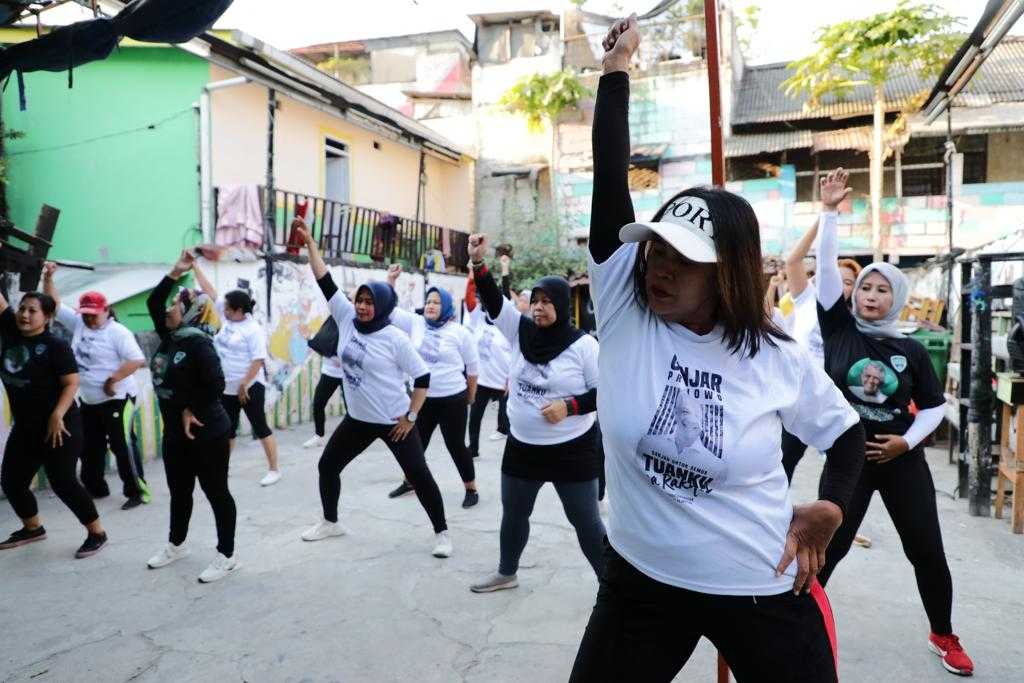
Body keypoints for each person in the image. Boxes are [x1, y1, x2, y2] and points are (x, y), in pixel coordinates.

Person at [568, 18, 866, 682]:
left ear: (727, 272)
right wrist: (616, 70)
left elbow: (845, 437)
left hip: (757, 583)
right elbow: (608, 183)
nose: (660, 267)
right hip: (639, 584)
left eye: (685, 260)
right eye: (657, 249)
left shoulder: (778, 356)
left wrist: (831, 507)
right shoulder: (624, 310)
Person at [815, 168, 974, 677]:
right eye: (866, 287)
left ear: (896, 298)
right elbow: (822, 271)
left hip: (902, 463)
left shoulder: (909, 349)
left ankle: (943, 634)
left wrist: (905, 444)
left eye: (883, 290)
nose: (871, 296)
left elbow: (933, 407)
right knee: (828, 545)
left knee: (926, 548)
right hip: (849, 461)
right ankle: (801, 624)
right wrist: (829, 213)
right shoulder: (837, 329)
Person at [293, 225, 452, 558]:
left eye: (369, 302)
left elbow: (423, 377)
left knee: (419, 476)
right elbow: (324, 279)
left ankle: (442, 533)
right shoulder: (347, 317)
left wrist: (411, 416)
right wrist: (309, 242)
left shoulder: (394, 338)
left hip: (394, 422)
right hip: (358, 420)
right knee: (327, 466)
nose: (363, 306)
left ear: (381, 306)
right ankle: (330, 522)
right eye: (360, 300)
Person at [466, 238, 605, 594]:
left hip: (572, 450)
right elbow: (494, 300)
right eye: (536, 301)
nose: (539, 308)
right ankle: (506, 572)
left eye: (546, 302)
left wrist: (569, 407)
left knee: (585, 521)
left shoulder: (584, 346)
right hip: (523, 448)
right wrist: (478, 263)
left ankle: (613, 588)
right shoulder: (520, 331)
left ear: (560, 304)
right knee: (513, 513)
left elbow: (606, 393)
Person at [144, 250, 239, 583]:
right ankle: (177, 545)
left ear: (190, 312)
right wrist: (175, 271)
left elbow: (217, 385)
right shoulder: (171, 337)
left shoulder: (200, 344)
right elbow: (154, 303)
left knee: (216, 492)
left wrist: (189, 407)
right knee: (180, 491)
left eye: (176, 304)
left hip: (208, 432)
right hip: (176, 433)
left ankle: (226, 555)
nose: (168, 308)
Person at [0, 288, 108, 558]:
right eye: (22, 308)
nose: (24, 314)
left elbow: (72, 382)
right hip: (26, 426)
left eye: (32, 311)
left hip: (61, 426)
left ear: (47, 317)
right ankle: (33, 528)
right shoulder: (11, 332)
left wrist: (58, 414)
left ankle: (97, 533)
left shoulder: (56, 346)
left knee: (63, 481)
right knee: (12, 480)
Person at [45, 265, 150, 510]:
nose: (89, 318)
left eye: (94, 314)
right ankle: (95, 487)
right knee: (89, 446)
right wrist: (48, 277)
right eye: (86, 314)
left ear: (106, 311)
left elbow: (136, 359)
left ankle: (137, 491)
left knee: (122, 445)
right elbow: (55, 304)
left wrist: (113, 379)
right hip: (90, 400)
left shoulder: (117, 332)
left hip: (119, 398)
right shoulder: (80, 324)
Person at [385, 264, 481, 508]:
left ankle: (471, 488)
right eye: (428, 301)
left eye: (437, 302)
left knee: (456, 446)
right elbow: (387, 310)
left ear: (446, 306)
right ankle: (409, 481)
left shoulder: (460, 333)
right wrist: (390, 281)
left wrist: (470, 396)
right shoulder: (416, 323)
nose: (431, 305)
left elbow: (472, 369)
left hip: (453, 399)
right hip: (423, 399)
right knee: (415, 443)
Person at [780, 214, 863, 481]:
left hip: (829, 402)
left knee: (838, 472)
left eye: (849, 282)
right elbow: (793, 260)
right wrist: (822, 218)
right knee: (782, 464)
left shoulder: (853, 323)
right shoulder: (805, 299)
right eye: (836, 278)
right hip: (795, 393)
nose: (841, 284)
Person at [191, 263, 282, 487]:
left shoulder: (253, 330)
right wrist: (194, 265)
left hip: (249, 387)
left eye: (229, 309)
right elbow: (210, 291)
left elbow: (258, 359)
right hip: (227, 387)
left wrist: (245, 384)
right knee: (226, 430)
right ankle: (222, 468)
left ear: (240, 310)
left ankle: (274, 469)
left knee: (259, 426)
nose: (225, 311)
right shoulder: (229, 317)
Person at [464, 262, 512, 456]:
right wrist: (470, 273)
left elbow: (506, 296)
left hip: (503, 382)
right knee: (474, 417)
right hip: (483, 381)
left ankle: (515, 453)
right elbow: (469, 297)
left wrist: (505, 269)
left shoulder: (506, 323)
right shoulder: (477, 318)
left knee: (508, 420)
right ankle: (473, 449)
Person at [305, 343, 347, 450]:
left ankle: (354, 437)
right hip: (329, 372)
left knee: (351, 409)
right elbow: (320, 343)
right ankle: (318, 436)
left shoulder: (352, 327)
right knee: (318, 403)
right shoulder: (329, 326)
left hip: (347, 373)